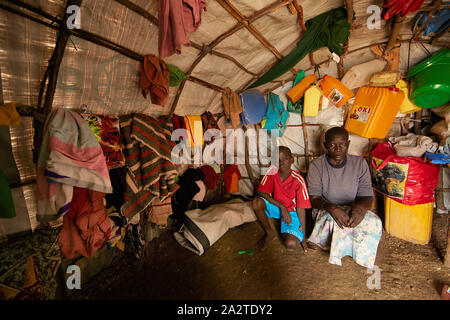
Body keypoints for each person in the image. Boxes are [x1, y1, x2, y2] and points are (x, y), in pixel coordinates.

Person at [306, 126, 382, 269]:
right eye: (332, 145)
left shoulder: (359, 164)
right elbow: (313, 197)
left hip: (351, 207)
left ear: (348, 144)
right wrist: (332, 208)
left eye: (342, 144)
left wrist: (360, 209)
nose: (338, 148)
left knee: (373, 222)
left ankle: (354, 249)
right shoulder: (316, 166)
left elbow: (366, 195)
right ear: (325, 146)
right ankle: (337, 249)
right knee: (336, 222)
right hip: (325, 208)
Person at [252, 146, 313, 252]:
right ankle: (269, 233)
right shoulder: (272, 171)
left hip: (292, 212)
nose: (281, 162)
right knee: (257, 202)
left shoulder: (298, 180)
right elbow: (260, 191)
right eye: (277, 160)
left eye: (284, 159)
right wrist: (282, 207)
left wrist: (303, 238)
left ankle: (287, 230)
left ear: (292, 159)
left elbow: (301, 209)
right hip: (277, 207)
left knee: (291, 244)